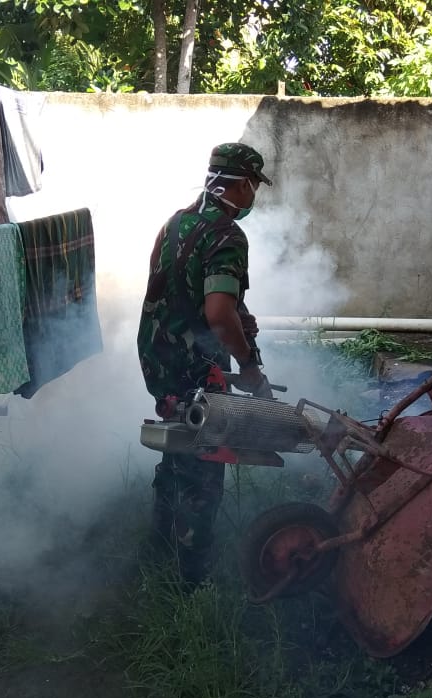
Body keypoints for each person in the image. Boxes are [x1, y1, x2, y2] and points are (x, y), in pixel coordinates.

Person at [137, 141, 275, 584]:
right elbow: (218, 313)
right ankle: (189, 581)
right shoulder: (227, 235)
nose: (254, 197)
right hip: (195, 366)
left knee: (176, 447)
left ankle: (158, 550)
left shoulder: (176, 222)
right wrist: (250, 368)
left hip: (158, 358)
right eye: (254, 187)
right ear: (243, 184)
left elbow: (166, 281)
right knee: (202, 465)